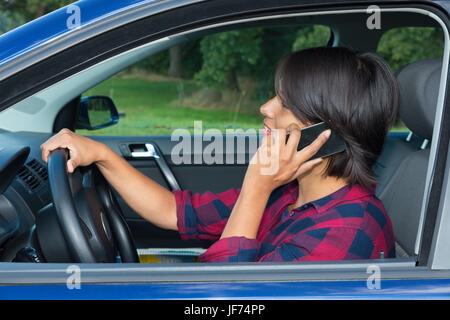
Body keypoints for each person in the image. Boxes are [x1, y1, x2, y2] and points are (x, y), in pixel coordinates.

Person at [41, 46, 398, 262]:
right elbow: (174, 211)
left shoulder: (345, 232)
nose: (265, 108)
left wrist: (256, 189)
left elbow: (225, 299)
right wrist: (103, 154)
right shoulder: (290, 193)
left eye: (285, 103)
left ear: (327, 135)